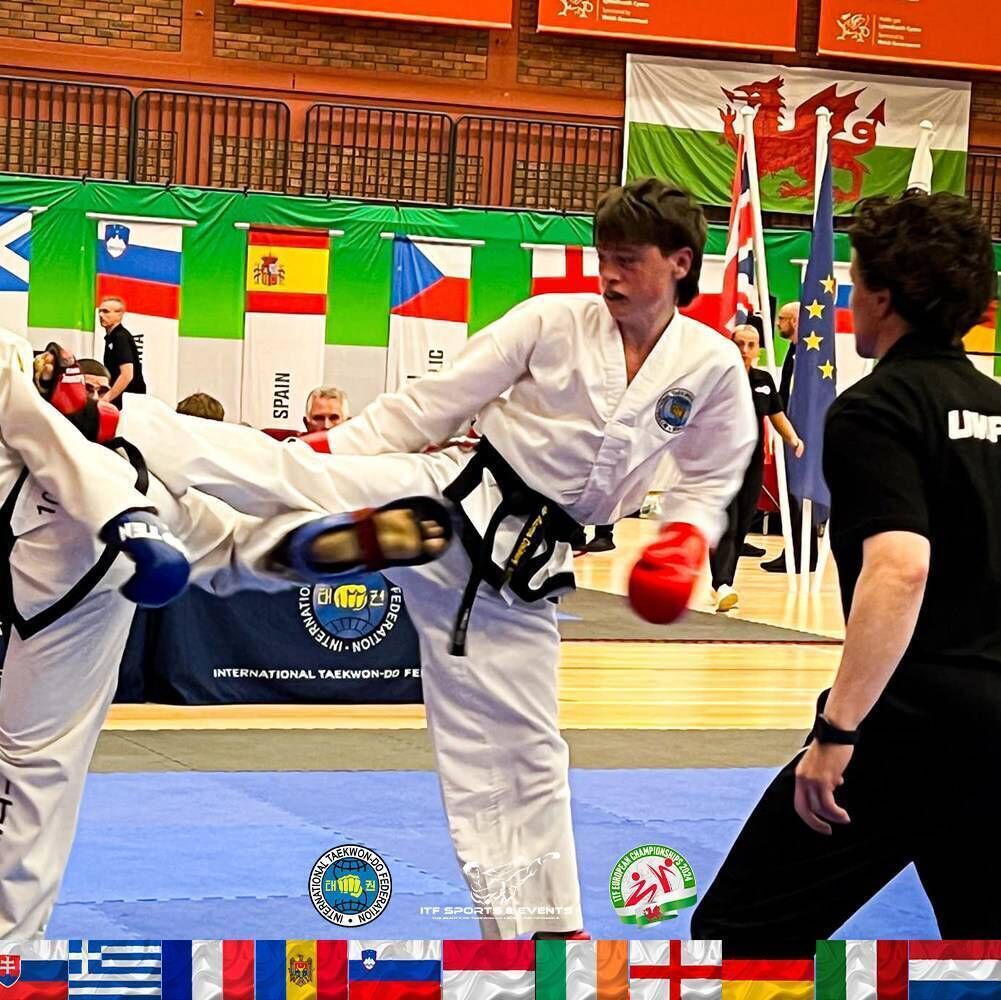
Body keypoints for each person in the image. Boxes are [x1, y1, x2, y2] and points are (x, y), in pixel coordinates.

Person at [100, 178, 758, 939]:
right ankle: (125, 427)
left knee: (520, 751)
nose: (607, 275)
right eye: (601, 257)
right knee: (297, 475)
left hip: (522, 577)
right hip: (449, 504)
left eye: (626, 260)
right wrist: (333, 447)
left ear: (679, 262)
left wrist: (682, 539)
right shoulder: (550, 320)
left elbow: (714, 474)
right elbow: (432, 403)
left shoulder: (708, 364)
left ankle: (540, 929)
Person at [1, 332, 452, 938]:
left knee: (35, 760)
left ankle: (7, 949)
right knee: (258, 500)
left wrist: (124, 523)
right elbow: (33, 417)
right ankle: (311, 537)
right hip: (131, 446)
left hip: (67, 529)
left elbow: (46, 441)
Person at [691, 190, 1001, 954]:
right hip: (993, 721)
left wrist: (837, 730)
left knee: (739, 932)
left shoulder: (876, 409)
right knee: (982, 938)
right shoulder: (995, 406)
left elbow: (898, 569)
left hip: (911, 722)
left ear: (883, 298)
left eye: (853, 284)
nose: (847, 303)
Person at [711, 324, 803, 612]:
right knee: (726, 522)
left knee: (741, 525)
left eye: (752, 345)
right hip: (721, 462)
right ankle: (721, 582)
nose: (746, 351)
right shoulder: (719, 377)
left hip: (752, 464)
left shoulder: (764, 380)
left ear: (759, 348)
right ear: (731, 344)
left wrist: (793, 439)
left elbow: (776, 415)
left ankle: (726, 582)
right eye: (740, 344)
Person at [762, 301, 818, 573]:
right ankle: (800, 551)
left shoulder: (808, 354)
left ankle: (799, 554)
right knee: (794, 494)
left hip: (801, 432)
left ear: (795, 321)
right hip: (791, 429)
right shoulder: (796, 350)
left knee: (797, 494)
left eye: (781, 319)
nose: (777, 324)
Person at [98, 296, 147, 408]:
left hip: (129, 402)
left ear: (119, 315)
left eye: (106, 312)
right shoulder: (112, 337)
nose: (101, 315)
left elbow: (127, 374)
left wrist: (107, 398)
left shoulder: (120, 337)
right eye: (100, 311)